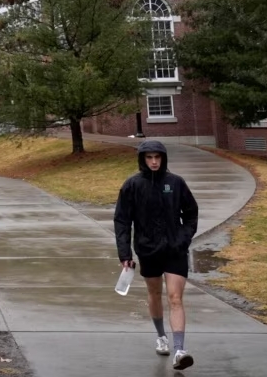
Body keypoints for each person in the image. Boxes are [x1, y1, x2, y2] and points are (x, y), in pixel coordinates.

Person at [114, 140, 199, 371]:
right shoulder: (132, 185)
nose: (153, 161)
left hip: (174, 250)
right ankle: (161, 337)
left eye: (157, 157)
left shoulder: (175, 182)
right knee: (154, 293)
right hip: (147, 249)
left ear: (163, 158)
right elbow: (122, 221)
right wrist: (125, 253)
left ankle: (180, 350)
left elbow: (191, 213)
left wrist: (183, 239)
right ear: (142, 159)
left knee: (175, 297)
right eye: (149, 157)